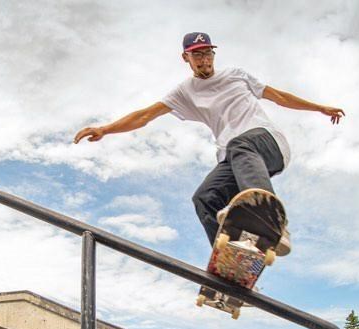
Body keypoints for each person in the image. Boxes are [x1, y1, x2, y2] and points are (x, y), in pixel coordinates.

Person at [74, 32, 345, 255]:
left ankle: (271, 220)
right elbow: (145, 115)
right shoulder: (184, 92)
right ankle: (232, 260)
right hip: (237, 159)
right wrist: (105, 129)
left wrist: (320, 108)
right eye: (198, 55)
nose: (204, 60)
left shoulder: (236, 75)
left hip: (267, 142)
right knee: (205, 198)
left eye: (208, 53)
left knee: (240, 144)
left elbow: (279, 97)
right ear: (186, 58)